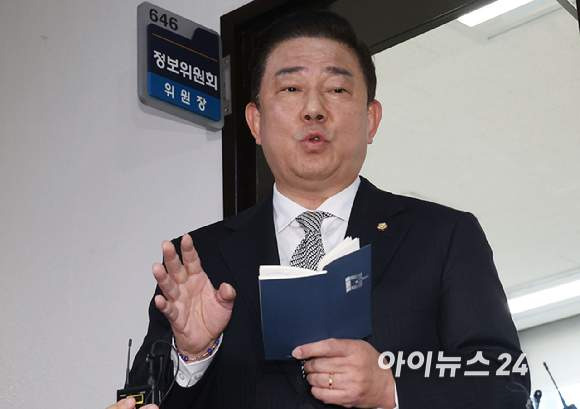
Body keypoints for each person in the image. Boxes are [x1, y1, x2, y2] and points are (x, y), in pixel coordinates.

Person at [108, 11, 530, 409]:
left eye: (337, 90)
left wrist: (391, 387)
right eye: (291, 89)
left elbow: (505, 380)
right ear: (255, 122)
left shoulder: (443, 236)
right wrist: (192, 356)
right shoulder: (200, 260)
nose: (314, 109)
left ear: (371, 120)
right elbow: (141, 396)